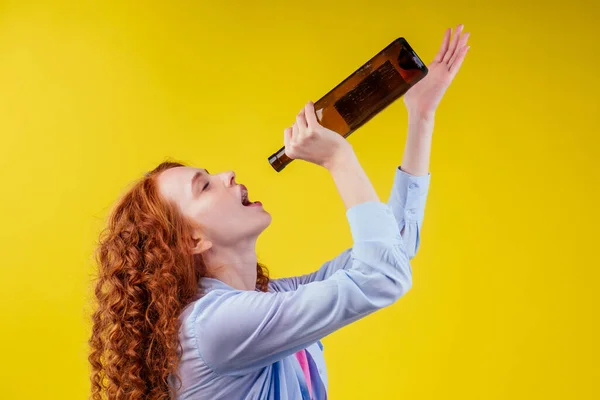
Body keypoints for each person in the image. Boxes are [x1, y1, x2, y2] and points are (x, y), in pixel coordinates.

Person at [88, 24, 470, 400]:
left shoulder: (264, 303)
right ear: (192, 239)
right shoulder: (215, 328)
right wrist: (338, 157)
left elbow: (393, 249)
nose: (227, 174)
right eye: (204, 185)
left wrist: (421, 116)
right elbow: (383, 277)